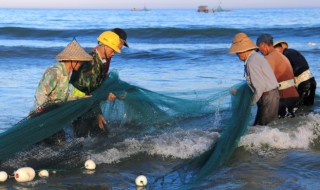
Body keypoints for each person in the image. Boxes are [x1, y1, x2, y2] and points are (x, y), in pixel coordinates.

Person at [30, 39, 92, 144]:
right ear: (73, 60)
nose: (81, 64)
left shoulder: (67, 74)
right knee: (57, 143)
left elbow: (63, 97)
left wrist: (80, 98)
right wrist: (45, 111)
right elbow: (40, 93)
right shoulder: (55, 72)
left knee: (60, 142)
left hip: (54, 116)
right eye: (80, 61)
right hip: (42, 117)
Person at [70, 29, 129, 137]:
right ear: (105, 46)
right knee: (80, 140)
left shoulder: (100, 60)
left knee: (100, 135)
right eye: (113, 50)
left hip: (88, 104)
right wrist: (105, 99)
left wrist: (98, 112)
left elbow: (93, 89)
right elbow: (88, 91)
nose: (113, 54)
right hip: (80, 105)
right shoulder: (91, 63)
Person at [229, 33, 279, 125]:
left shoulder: (251, 62)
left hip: (268, 97)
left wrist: (251, 102)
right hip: (270, 95)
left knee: (262, 127)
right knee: (263, 127)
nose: (237, 55)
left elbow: (260, 86)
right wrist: (239, 92)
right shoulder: (254, 58)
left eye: (237, 52)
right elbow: (255, 83)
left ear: (243, 50)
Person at [256, 34, 300, 118]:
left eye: (259, 49)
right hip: (294, 96)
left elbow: (264, 80)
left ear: (264, 45)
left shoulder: (269, 58)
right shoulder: (282, 56)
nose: (260, 52)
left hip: (284, 98)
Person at [274, 40, 316, 106]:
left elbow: (290, 71)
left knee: (300, 108)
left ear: (280, 48)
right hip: (311, 81)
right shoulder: (293, 52)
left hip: (304, 84)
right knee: (309, 107)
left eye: (275, 52)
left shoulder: (285, 55)